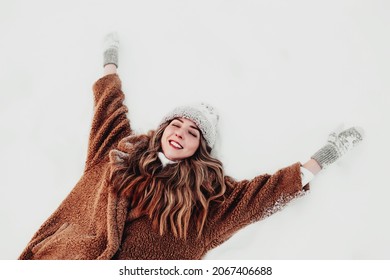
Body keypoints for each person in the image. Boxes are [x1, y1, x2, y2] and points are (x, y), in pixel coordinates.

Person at [18, 33, 364, 260]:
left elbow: (267, 194)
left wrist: (326, 155)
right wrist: (110, 62)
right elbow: (109, 105)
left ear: (200, 148)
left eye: (193, 132)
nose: (181, 132)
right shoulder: (118, 152)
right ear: (164, 128)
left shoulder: (210, 200)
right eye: (176, 123)